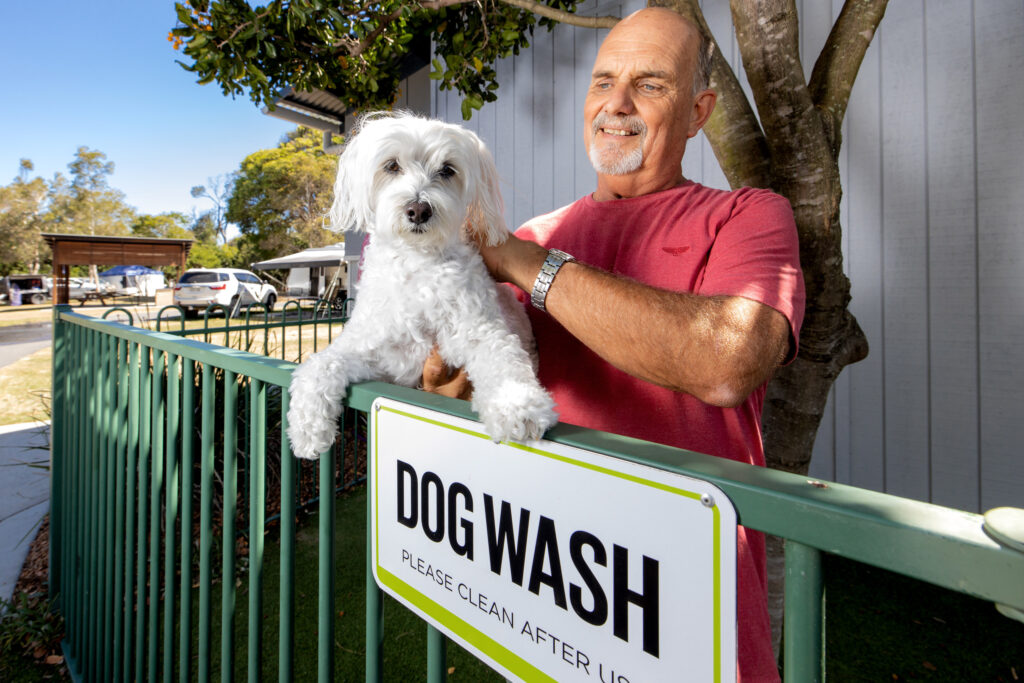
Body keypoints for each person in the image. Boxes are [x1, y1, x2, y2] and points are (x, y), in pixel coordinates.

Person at [424, 7, 804, 680]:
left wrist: (519, 262)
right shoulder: (535, 236)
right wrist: (446, 369)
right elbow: (455, 392)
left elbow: (725, 364)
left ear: (698, 110)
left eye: (651, 84)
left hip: (686, 592)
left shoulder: (748, 215)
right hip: (548, 582)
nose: (616, 104)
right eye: (603, 82)